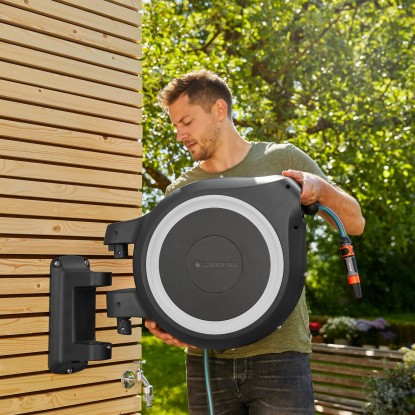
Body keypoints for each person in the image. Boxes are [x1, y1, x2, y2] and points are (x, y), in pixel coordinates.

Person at [145, 70, 365, 414]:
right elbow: (169, 270)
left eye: (186, 121)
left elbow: (355, 222)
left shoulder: (281, 161)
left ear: (219, 110)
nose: (179, 134)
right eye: (175, 125)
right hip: (206, 361)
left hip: (279, 357)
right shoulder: (180, 191)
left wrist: (320, 190)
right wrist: (158, 317)